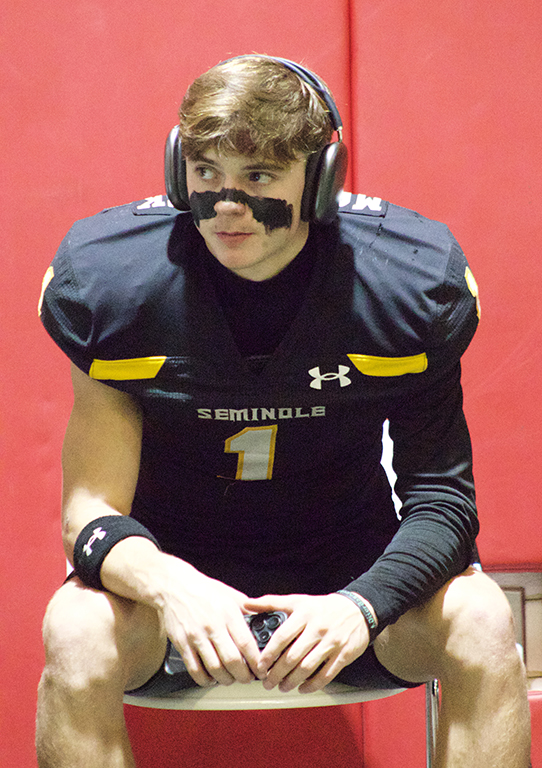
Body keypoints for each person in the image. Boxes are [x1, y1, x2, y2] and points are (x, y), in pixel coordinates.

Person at [36, 55, 530, 767]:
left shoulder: (405, 284)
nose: (227, 206)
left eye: (259, 179)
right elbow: (89, 512)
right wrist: (175, 587)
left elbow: (444, 505)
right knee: (75, 625)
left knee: (483, 617)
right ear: (179, 169)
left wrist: (362, 604)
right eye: (206, 175)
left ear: (322, 180)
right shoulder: (116, 286)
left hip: (357, 591)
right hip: (171, 598)